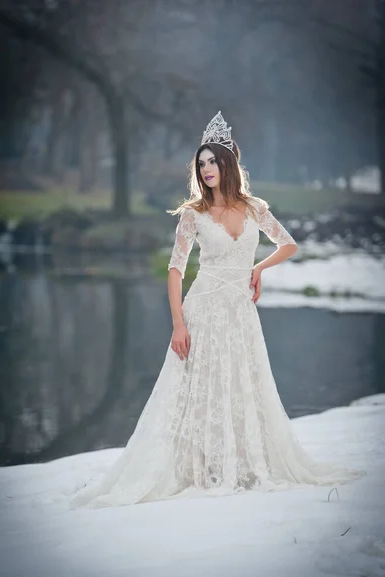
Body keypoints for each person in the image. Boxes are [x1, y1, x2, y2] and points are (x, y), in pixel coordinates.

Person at [70, 111, 364, 509]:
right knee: (197, 390)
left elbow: (289, 244)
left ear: (228, 164)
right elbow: (175, 270)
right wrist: (177, 324)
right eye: (201, 163)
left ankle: (241, 463)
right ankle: (197, 467)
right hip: (202, 308)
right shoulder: (193, 214)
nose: (206, 168)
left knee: (242, 383)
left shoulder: (254, 208)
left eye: (213, 161)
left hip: (240, 311)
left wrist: (258, 268)